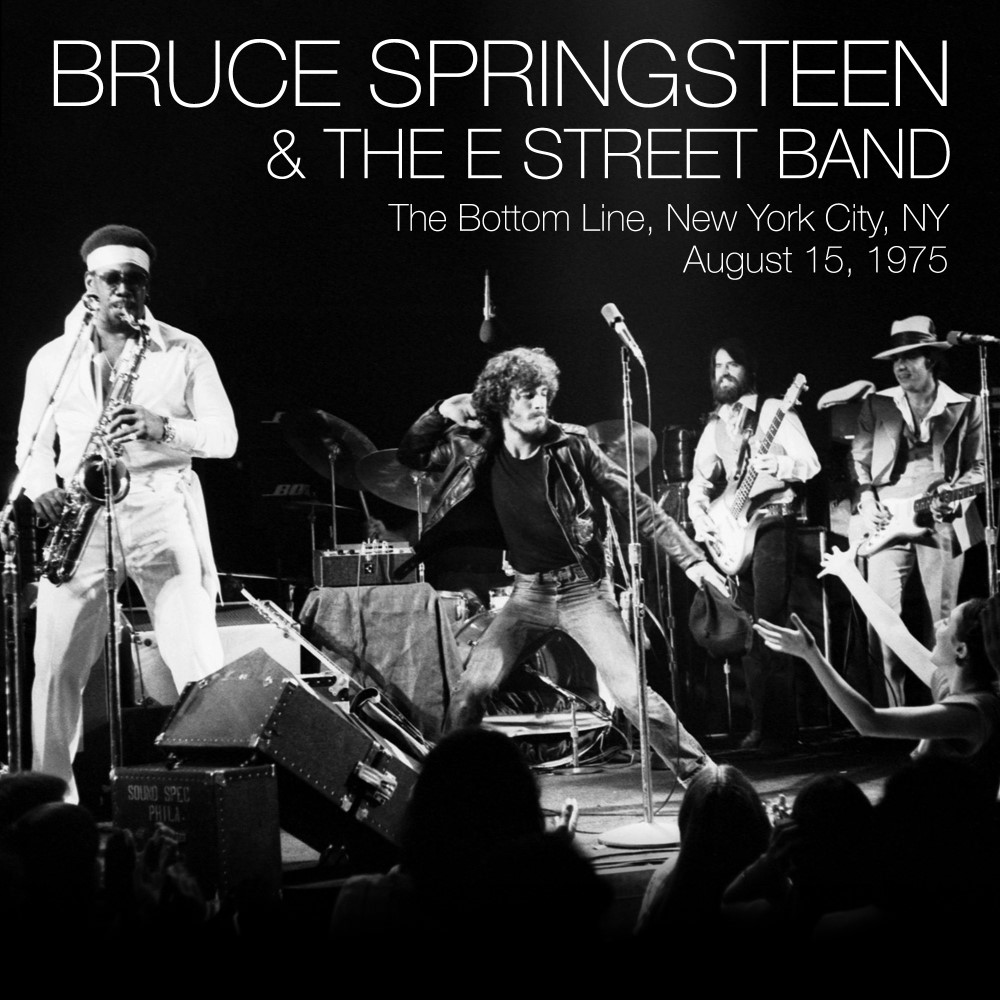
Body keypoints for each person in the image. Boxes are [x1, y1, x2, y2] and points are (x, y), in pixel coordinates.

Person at [397, 347, 726, 783]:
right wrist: (441, 410)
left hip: (583, 592)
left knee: (632, 694)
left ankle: (705, 779)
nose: (540, 403)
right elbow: (412, 455)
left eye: (544, 394)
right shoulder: (474, 448)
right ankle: (450, 787)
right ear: (501, 400)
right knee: (469, 692)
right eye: (527, 394)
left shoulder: (572, 445)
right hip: (527, 596)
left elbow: (639, 506)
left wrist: (692, 562)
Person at [15, 225, 238, 803]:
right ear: (89, 283)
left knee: (198, 659)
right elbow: (31, 447)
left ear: (146, 287)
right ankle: (50, 803)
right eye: (112, 279)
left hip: (160, 508)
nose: (123, 289)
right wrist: (42, 487)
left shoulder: (183, 350)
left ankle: (218, 791)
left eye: (134, 280)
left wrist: (163, 426)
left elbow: (225, 438)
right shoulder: (52, 358)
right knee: (56, 670)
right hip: (83, 516)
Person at [755, 545, 1000, 799]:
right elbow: (892, 630)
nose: (938, 624)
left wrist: (812, 655)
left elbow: (869, 721)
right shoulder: (950, 687)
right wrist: (848, 572)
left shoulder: (973, 713)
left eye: (947, 623)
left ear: (961, 649)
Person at [688, 338, 820, 751]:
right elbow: (698, 484)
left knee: (770, 621)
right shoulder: (714, 426)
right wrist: (701, 517)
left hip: (772, 524)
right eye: (718, 366)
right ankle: (762, 726)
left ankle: (783, 729)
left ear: (750, 371)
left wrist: (778, 464)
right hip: (735, 532)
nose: (724, 372)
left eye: (732, 365)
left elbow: (811, 463)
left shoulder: (773, 410)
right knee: (746, 629)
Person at [851, 315, 984, 706]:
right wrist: (866, 497)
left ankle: (942, 714)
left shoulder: (966, 405)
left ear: (931, 360)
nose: (901, 366)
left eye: (909, 357)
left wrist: (954, 496)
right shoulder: (877, 404)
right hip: (887, 518)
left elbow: (979, 467)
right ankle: (892, 715)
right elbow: (859, 461)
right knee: (882, 618)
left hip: (942, 518)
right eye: (896, 359)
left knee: (942, 625)